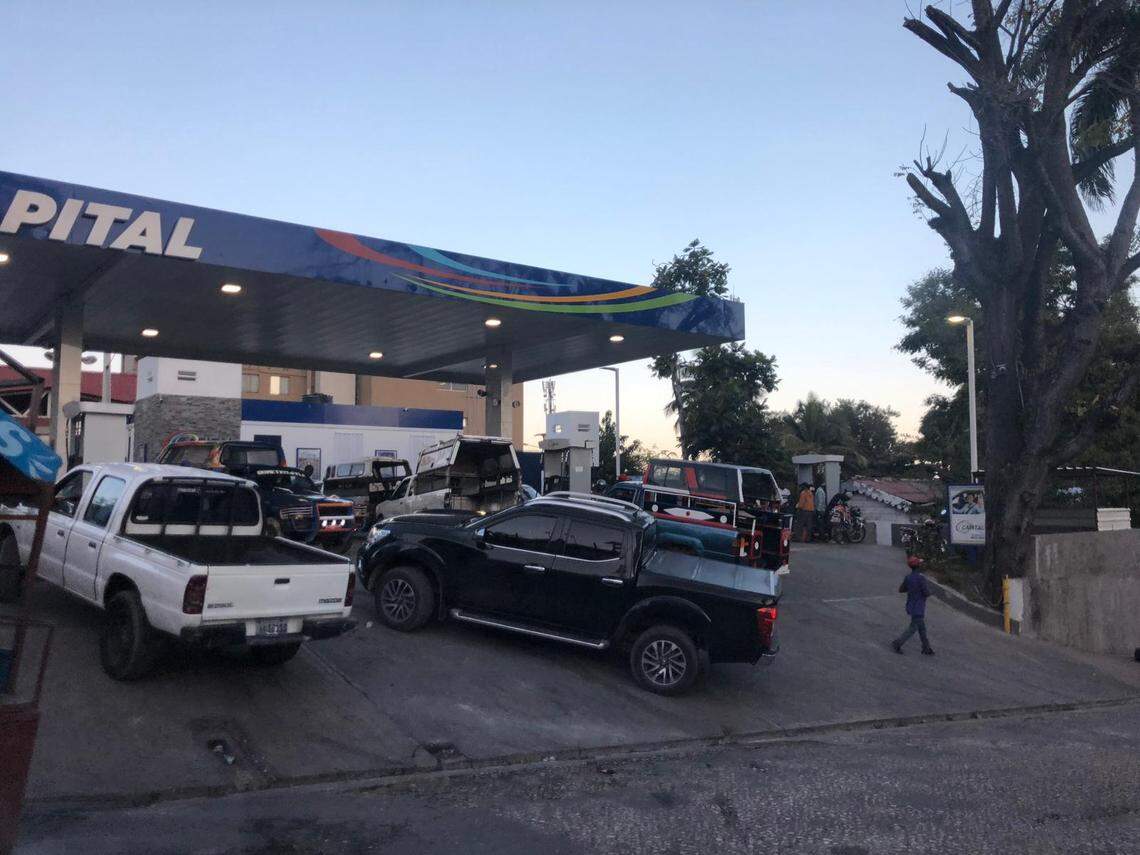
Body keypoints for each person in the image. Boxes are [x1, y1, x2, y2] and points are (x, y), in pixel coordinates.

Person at [892, 555, 934, 655]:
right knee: (913, 628)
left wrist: (911, 588)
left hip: (911, 605)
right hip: (919, 607)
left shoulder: (908, 577)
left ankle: (926, 648)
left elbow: (901, 589)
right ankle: (898, 643)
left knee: (921, 628)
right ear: (918, 566)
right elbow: (926, 593)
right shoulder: (921, 578)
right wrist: (931, 592)